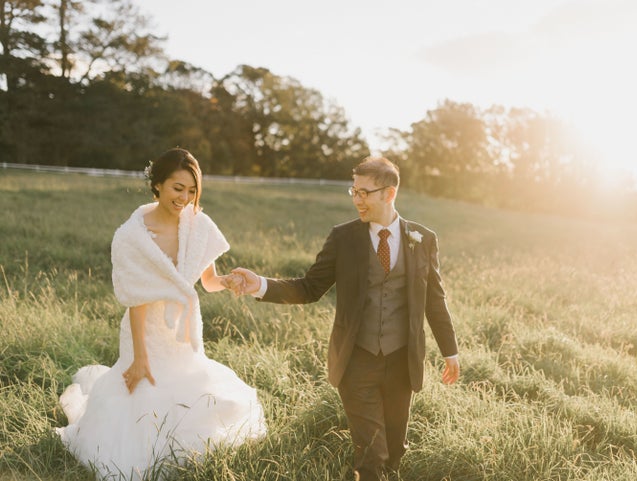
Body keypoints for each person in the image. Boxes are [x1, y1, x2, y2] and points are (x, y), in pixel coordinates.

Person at [229, 156, 460, 481]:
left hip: (401, 362)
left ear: (389, 194)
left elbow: (435, 300)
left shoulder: (422, 239)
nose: (357, 199)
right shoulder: (343, 237)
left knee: (394, 451)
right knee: (371, 453)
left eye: (365, 192)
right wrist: (261, 285)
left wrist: (450, 351)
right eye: (354, 191)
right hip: (356, 359)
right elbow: (309, 288)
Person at [56, 148, 266, 480]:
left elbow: (207, 282)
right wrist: (139, 358)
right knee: (142, 400)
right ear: (157, 185)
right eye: (177, 188)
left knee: (192, 394)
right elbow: (135, 301)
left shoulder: (198, 224)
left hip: (181, 333)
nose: (184, 197)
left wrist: (229, 281)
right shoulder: (131, 236)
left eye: (192, 190)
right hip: (145, 332)